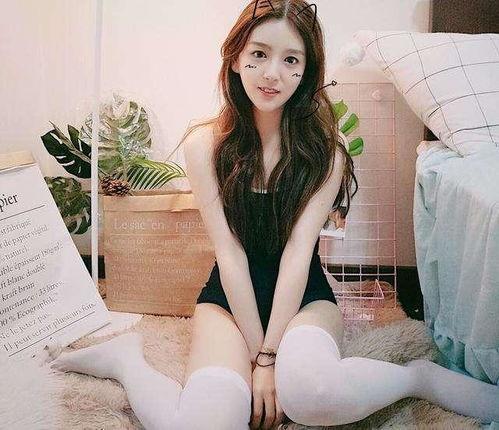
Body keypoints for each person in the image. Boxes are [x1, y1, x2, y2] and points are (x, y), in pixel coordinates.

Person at [44, 1, 499, 429]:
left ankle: (416, 377)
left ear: (307, 70)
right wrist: (256, 354)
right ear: (236, 58)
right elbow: (229, 252)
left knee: (309, 396)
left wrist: (269, 357)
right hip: (227, 298)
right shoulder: (205, 146)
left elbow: (299, 254)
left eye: (291, 60)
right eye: (259, 54)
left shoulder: (325, 154)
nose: (271, 74)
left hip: (305, 298)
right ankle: (125, 360)